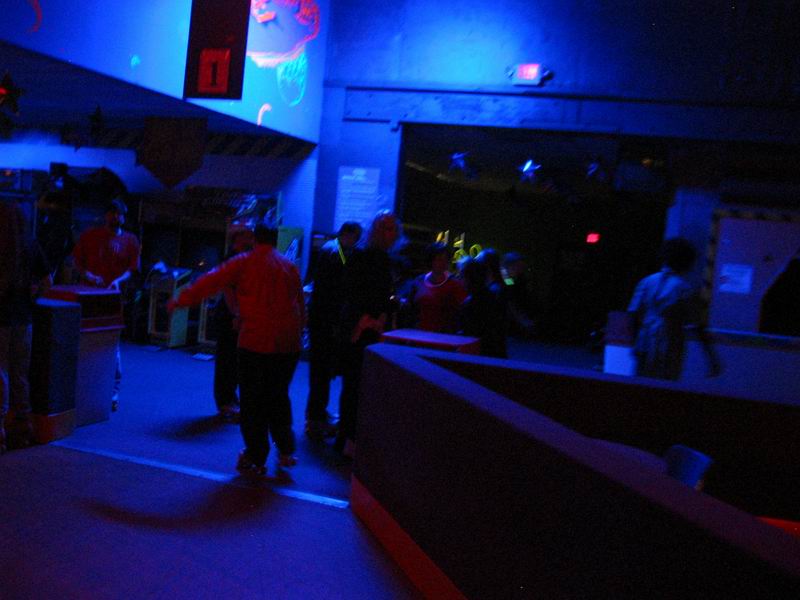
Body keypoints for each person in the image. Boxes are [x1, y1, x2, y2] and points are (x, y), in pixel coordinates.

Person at [169, 221, 305, 475]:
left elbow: (210, 281)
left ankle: (256, 455)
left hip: (255, 341)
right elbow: (300, 304)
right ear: (275, 239)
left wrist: (181, 301)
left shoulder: (244, 262)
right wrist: (298, 334)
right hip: (287, 344)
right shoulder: (289, 267)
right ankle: (286, 451)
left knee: (252, 401)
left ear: (255, 239)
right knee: (278, 395)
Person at [336, 210, 400, 456]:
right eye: (384, 228)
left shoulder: (379, 257)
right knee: (355, 385)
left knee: (359, 385)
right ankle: (349, 437)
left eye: (391, 229)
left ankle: (350, 436)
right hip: (361, 328)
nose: (387, 233)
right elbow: (353, 291)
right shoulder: (366, 256)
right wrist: (368, 318)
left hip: (367, 327)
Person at [72, 198, 140, 411]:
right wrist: (89, 276)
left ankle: (112, 391)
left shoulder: (130, 240)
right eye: (112, 213)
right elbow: (77, 263)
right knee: (85, 340)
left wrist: (117, 281)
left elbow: (132, 269)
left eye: (119, 214)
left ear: (124, 217)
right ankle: (85, 388)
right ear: (106, 216)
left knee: (111, 343)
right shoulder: (90, 236)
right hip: (88, 296)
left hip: (113, 299)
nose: (115, 217)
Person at [628, 237, 720, 380]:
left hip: (644, 342)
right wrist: (712, 358)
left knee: (640, 386)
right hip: (669, 345)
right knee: (663, 387)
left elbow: (633, 314)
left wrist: (634, 342)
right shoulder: (684, 289)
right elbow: (698, 326)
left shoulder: (647, 282)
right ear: (686, 262)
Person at [0, 201, 51, 453]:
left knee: (0, 373)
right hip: (23, 319)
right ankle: (21, 430)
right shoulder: (30, 244)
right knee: (19, 374)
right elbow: (47, 281)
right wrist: (33, 299)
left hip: (1, 319)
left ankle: (0, 433)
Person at [304, 221, 362, 440]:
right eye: (355, 238)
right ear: (349, 235)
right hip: (327, 322)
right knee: (322, 371)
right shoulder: (336, 254)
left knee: (320, 371)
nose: (356, 244)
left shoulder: (328, 248)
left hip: (321, 320)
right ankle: (316, 419)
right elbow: (335, 291)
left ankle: (317, 414)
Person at [210, 228, 255, 421]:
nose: (251, 238)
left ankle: (229, 399)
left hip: (236, 313)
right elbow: (228, 288)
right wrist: (235, 313)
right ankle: (225, 402)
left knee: (234, 360)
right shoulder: (232, 258)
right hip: (230, 314)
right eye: (248, 235)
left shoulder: (244, 257)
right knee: (226, 359)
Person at [403, 242, 466, 333]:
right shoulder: (419, 282)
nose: (443, 263)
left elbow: (461, 312)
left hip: (444, 336)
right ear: (431, 261)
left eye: (446, 259)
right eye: (439, 259)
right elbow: (410, 308)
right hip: (419, 334)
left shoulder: (455, 284)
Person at [457, 257, 507, 358]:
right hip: (496, 353)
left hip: (478, 356)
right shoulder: (494, 295)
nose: (459, 278)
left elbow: (469, 334)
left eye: (461, 275)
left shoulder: (470, 303)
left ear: (469, 278)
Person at [475, 248, 509, 358]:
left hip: (490, 345)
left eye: (478, 262)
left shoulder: (493, 291)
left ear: (486, 265)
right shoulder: (498, 287)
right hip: (495, 344)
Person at [502, 251, 537, 338]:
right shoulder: (505, 277)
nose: (522, 269)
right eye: (519, 266)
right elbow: (510, 298)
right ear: (511, 265)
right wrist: (521, 319)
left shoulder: (510, 279)